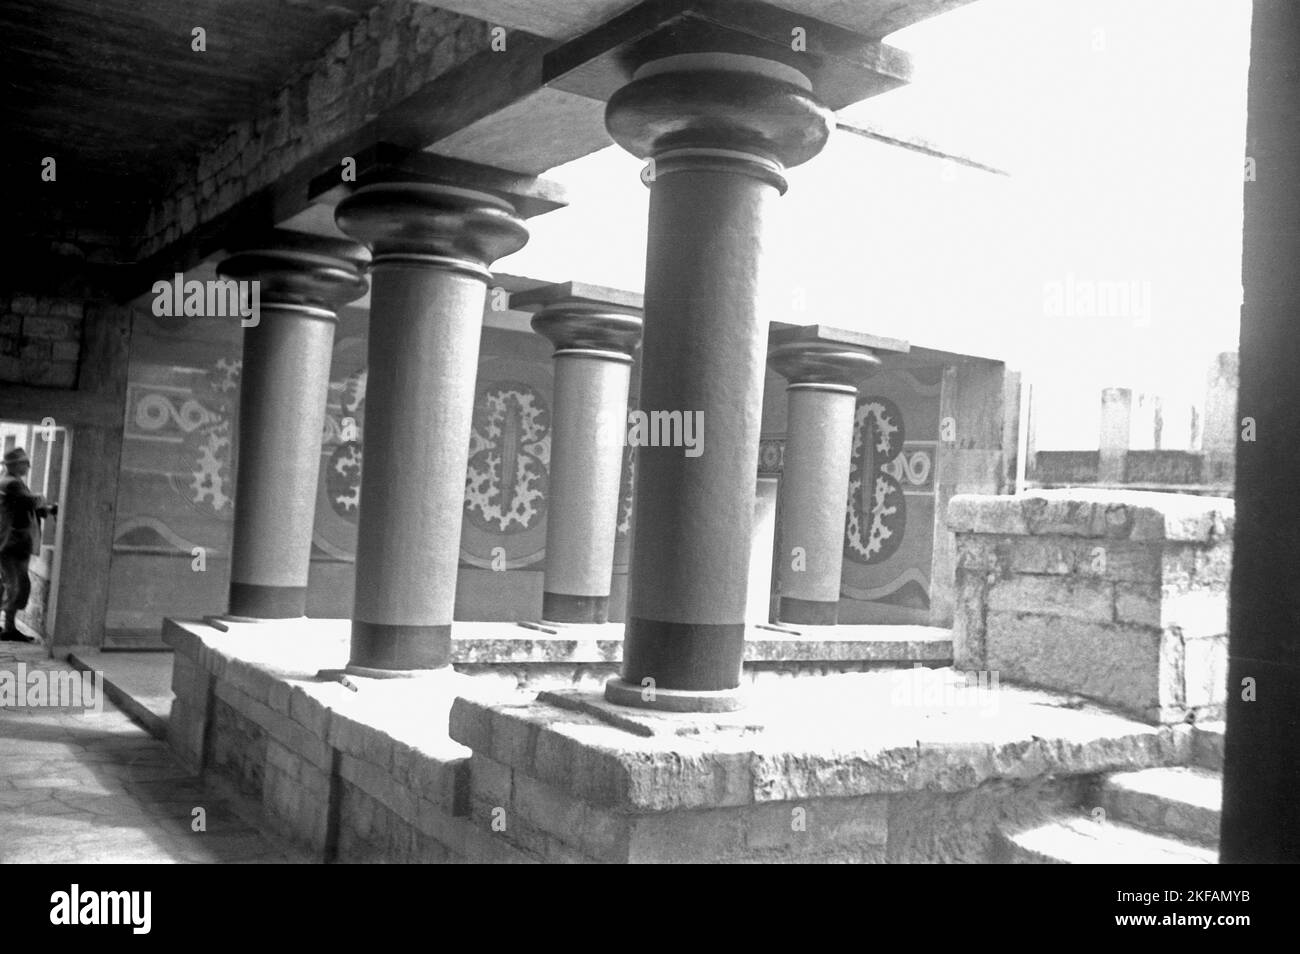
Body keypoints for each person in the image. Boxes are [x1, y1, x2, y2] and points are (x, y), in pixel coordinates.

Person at [0, 447, 57, 642]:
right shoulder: (11, 483)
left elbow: (25, 506)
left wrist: (45, 509)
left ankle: (7, 627)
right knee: (17, 585)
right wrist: (43, 499)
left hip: (12, 543)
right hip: (13, 544)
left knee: (10, 584)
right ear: (14, 465)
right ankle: (8, 629)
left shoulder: (12, 482)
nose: (29, 466)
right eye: (25, 462)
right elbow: (30, 502)